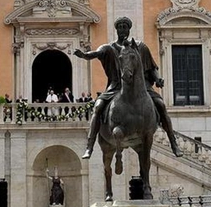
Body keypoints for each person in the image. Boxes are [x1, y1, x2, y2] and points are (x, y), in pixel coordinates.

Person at [73, 16, 183, 159]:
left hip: (141, 88)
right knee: (98, 107)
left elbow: (151, 67)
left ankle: (173, 143)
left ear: (129, 29)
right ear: (116, 29)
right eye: (120, 27)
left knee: (161, 105)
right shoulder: (109, 48)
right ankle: (90, 146)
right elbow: (95, 53)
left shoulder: (141, 47)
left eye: (125, 27)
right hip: (116, 87)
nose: (122, 30)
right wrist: (83, 55)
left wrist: (157, 79)